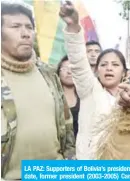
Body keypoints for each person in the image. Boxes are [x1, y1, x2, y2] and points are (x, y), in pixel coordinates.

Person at [1, 3, 75, 180]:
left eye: (29, 27)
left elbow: (66, 123)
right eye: (15, 27)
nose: (25, 33)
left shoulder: (48, 73)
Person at [59, 2, 127, 159]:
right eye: (103, 64)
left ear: (124, 72)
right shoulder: (89, 89)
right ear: (97, 70)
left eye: (115, 65)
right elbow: (77, 60)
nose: (109, 68)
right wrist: (73, 27)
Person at [57, 56, 80, 138]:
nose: (69, 72)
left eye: (73, 69)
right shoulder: (53, 97)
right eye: (65, 68)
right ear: (58, 73)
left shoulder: (85, 98)